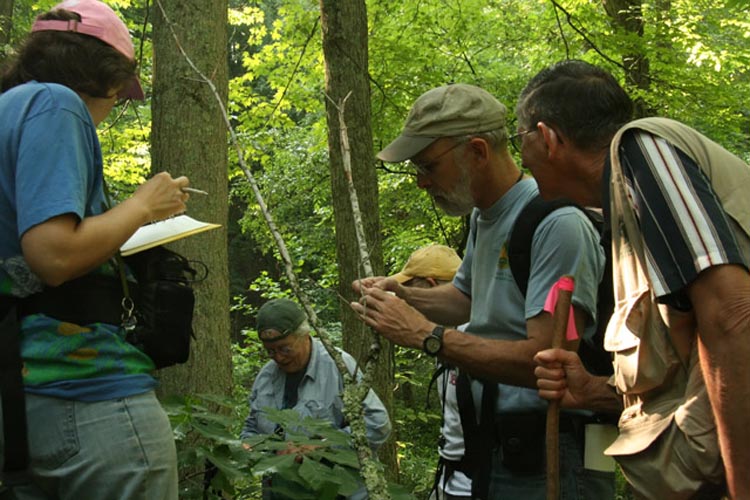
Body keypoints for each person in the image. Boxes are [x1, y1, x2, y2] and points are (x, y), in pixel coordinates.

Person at [350, 84, 613, 499]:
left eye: (428, 166)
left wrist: (425, 336)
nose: (421, 182)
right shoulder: (483, 219)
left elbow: (548, 361)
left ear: (476, 151)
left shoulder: (556, 224)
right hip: (494, 447)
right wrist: (401, 297)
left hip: (553, 452)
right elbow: (465, 300)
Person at [520, 59, 750, 499]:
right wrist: (596, 390)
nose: (521, 155)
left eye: (521, 139)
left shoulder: (642, 148)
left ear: (548, 137)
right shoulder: (624, 208)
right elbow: (689, 372)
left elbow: (734, 317)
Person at [0, 1, 193, 498]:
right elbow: (55, 256)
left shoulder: (8, 114)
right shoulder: (55, 103)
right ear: (105, 78)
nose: (112, 110)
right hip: (86, 395)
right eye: (122, 95)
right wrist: (144, 205)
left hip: (17, 399)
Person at [240, 298, 391, 500]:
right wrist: (246, 448)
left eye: (285, 349)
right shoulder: (266, 377)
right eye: (270, 351)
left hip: (338, 492)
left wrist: (322, 445)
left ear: (305, 335)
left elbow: (377, 423)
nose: (279, 358)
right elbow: (252, 428)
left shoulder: (338, 366)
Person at [387, 244, 470, 500]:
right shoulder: (441, 335)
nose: (407, 301)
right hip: (449, 479)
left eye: (410, 290)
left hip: (473, 486)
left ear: (432, 284)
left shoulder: (477, 335)